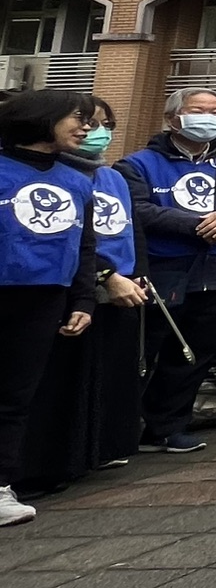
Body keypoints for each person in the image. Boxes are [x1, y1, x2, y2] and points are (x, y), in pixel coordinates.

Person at [122, 87, 216, 454]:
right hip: (164, 267)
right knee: (148, 348)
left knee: (197, 350)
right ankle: (121, 429)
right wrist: (196, 224)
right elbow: (137, 209)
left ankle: (169, 426)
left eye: (215, 111)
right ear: (173, 118)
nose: (208, 117)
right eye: (198, 110)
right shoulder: (137, 164)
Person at [32, 97, 145, 486]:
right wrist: (105, 275)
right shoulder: (49, 173)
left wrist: (136, 272)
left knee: (110, 371)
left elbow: (131, 227)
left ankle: (102, 447)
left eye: (103, 123)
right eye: (85, 122)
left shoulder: (111, 175)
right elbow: (74, 241)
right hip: (77, 285)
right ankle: (53, 462)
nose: (93, 131)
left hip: (123, 285)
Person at [0, 89, 99, 526]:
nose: (87, 128)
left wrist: (83, 299)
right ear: (43, 117)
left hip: (44, 298)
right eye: (79, 118)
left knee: (15, 398)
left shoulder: (78, 180)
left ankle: (2, 486)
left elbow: (84, 246)